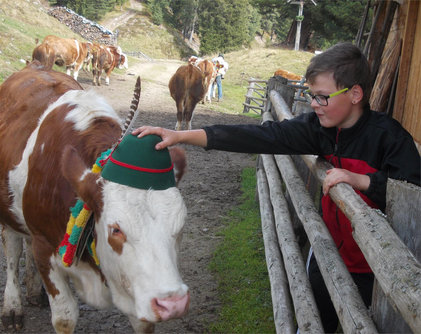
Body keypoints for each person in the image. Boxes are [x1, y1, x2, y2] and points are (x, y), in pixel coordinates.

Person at [133, 42, 421, 332]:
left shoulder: (390, 139)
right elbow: (256, 136)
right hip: (330, 257)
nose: (313, 104)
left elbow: (415, 195)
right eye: (312, 96)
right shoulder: (318, 129)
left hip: (380, 274)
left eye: (322, 97)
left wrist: (363, 181)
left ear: (355, 94)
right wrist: (181, 135)